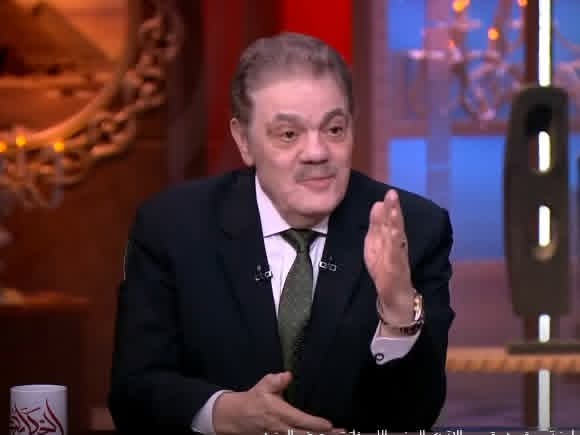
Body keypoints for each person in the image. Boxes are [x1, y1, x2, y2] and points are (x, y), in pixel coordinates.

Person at [108, 32, 455, 435]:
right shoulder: (172, 228)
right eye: (289, 134)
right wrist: (224, 413)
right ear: (244, 140)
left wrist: (397, 310)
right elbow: (133, 393)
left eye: (334, 129)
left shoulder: (413, 228)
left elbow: (417, 414)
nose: (317, 153)